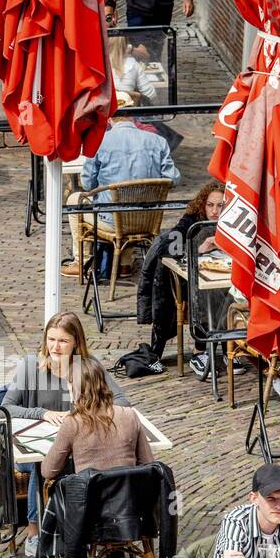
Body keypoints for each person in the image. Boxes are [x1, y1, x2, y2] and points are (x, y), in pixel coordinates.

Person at [2, 312, 131, 558]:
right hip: (35, 448)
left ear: (75, 342)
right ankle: (35, 532)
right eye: (51, 339)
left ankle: (92, 533)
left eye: (63, 341)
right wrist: (42, 413)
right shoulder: (32, 365)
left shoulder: (88, 367)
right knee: (46, 465)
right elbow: (7, 406)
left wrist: (85, 415)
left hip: (77, 445)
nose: (55, 346)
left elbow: (122, 401)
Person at [65, 91, 179, 280]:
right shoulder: (158, 141)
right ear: (132, 115)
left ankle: (81, 261)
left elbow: (87, 183)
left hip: (111, 222)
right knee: (129, 206)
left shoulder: (100, 142)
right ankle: (125, 264)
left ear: (109, 116)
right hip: (147, 219)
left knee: (74, 199)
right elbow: (173, 179)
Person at [135, 181, 228, 376]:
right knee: (207, 292)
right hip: (187, 280)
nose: (215, 211)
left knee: (235, 292)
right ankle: (199, 352)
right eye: (210, 205)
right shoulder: (192, 220)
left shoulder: (232, 223)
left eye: (220, 206)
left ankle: (230, 350)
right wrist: (199, 249)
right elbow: (169, 247)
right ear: (203, 204)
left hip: (222, 273)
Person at [40, 356, 153, 482]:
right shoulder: (129, 415)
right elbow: (147, 463)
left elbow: (48, 470)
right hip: (128, 497)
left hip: (90, 499)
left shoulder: (72, 423)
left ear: (73, 388)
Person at [108, 35, 158, 105]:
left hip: (104, 112)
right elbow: (151, 95)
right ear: (126, 45)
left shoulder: (98, 64)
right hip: (127, 112)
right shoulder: (133, 64)